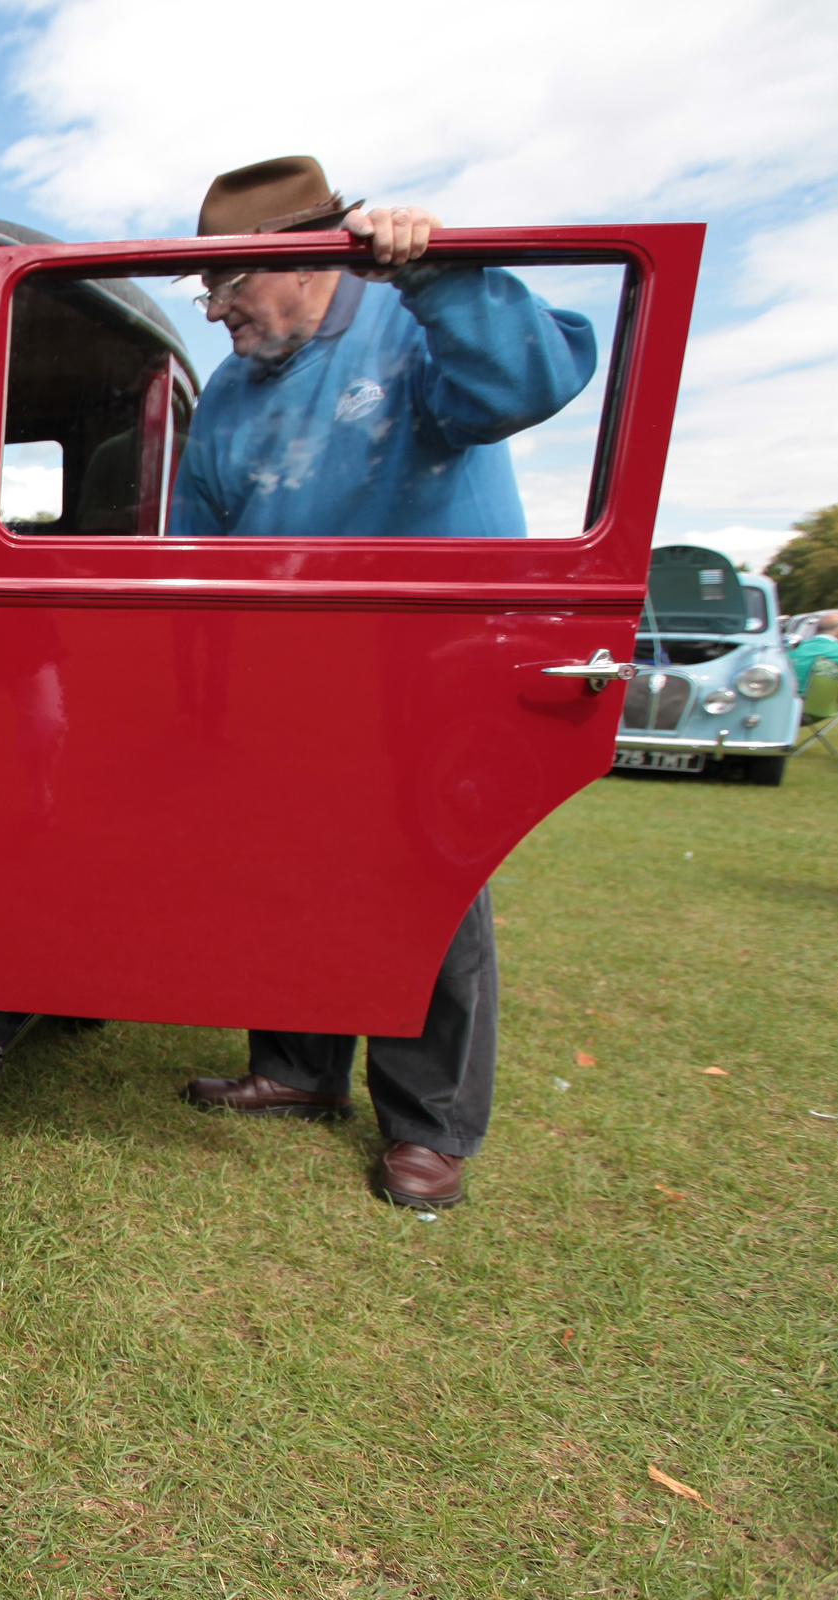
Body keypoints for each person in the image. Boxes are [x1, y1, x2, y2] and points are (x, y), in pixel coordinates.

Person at [168, 156, 598, 1213]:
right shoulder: (226, 393)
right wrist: (195, 689)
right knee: (289, 865)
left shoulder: (413, 326)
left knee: (431, 885)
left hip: (433, 672)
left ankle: (427, 1126)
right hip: (293, 681)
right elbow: (193, 550)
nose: (215, 310)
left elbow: (529, 382)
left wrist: (439, 272)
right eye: (206, 288)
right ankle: (297, 1067)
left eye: (228, 283)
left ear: (304, 261)